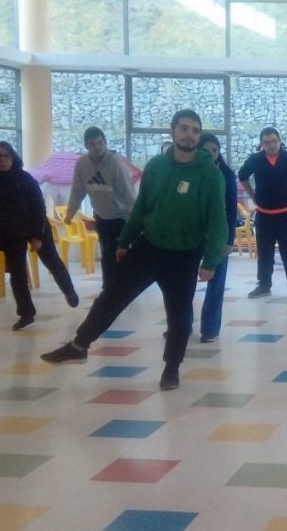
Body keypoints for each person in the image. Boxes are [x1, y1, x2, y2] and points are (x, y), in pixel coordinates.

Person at [40, 110, 227, 392]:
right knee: (111, 296)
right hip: (148, 246)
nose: (190, 135)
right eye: (184, 128)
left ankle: (171, 368)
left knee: (179, 314)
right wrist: (125, 240)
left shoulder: (210, 173)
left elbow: (217, 219)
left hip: (184, 254)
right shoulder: (156, 166)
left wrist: (211, 260)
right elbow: (141, 207)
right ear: (173, 132)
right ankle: (78, 346)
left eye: (195, 130)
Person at [0, 141, 79, 331]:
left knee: (52, 261)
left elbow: (39, 206)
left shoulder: (24, 178)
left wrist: (37, 236)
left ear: (12, 158)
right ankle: (26, 313)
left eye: (6, 156)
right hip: (9, 232)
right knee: (17, 273)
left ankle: (69, 290)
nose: (2, 160)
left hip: (36, 225)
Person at [238, 127, 287, 301]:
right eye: (267, 142)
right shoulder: (255, 160)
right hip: (264, 215)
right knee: (264, 252)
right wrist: (253, 196)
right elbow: (242, 176)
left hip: (286, 215)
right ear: (262, 144)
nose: (271, 145)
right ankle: (264, 285)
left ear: (280, 141)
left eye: (274, 141)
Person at [64, 126, 136, 291]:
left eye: (100, 143)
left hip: (120, 218)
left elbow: (128, 194)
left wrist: (134, 221)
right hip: (101, 217)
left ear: (105, 142)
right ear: (86, 145)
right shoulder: (82, 164)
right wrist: (70, 213)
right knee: (107, 254)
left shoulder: (116, 163)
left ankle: (121, 287)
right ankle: (109, 288)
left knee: (120, 254)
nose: (97, 147)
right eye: (92, 144)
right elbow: (77, 190)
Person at [195, 134, 237, 344]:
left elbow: (231, 210)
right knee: (183, 283)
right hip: (192, 236)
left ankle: (210, 328)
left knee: (216, 282)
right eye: (206, 150)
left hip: (218, 236)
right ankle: (179, 324)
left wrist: (229, 240)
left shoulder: (226, 174)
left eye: (215, 150)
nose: (211, 154)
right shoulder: (189, 172)